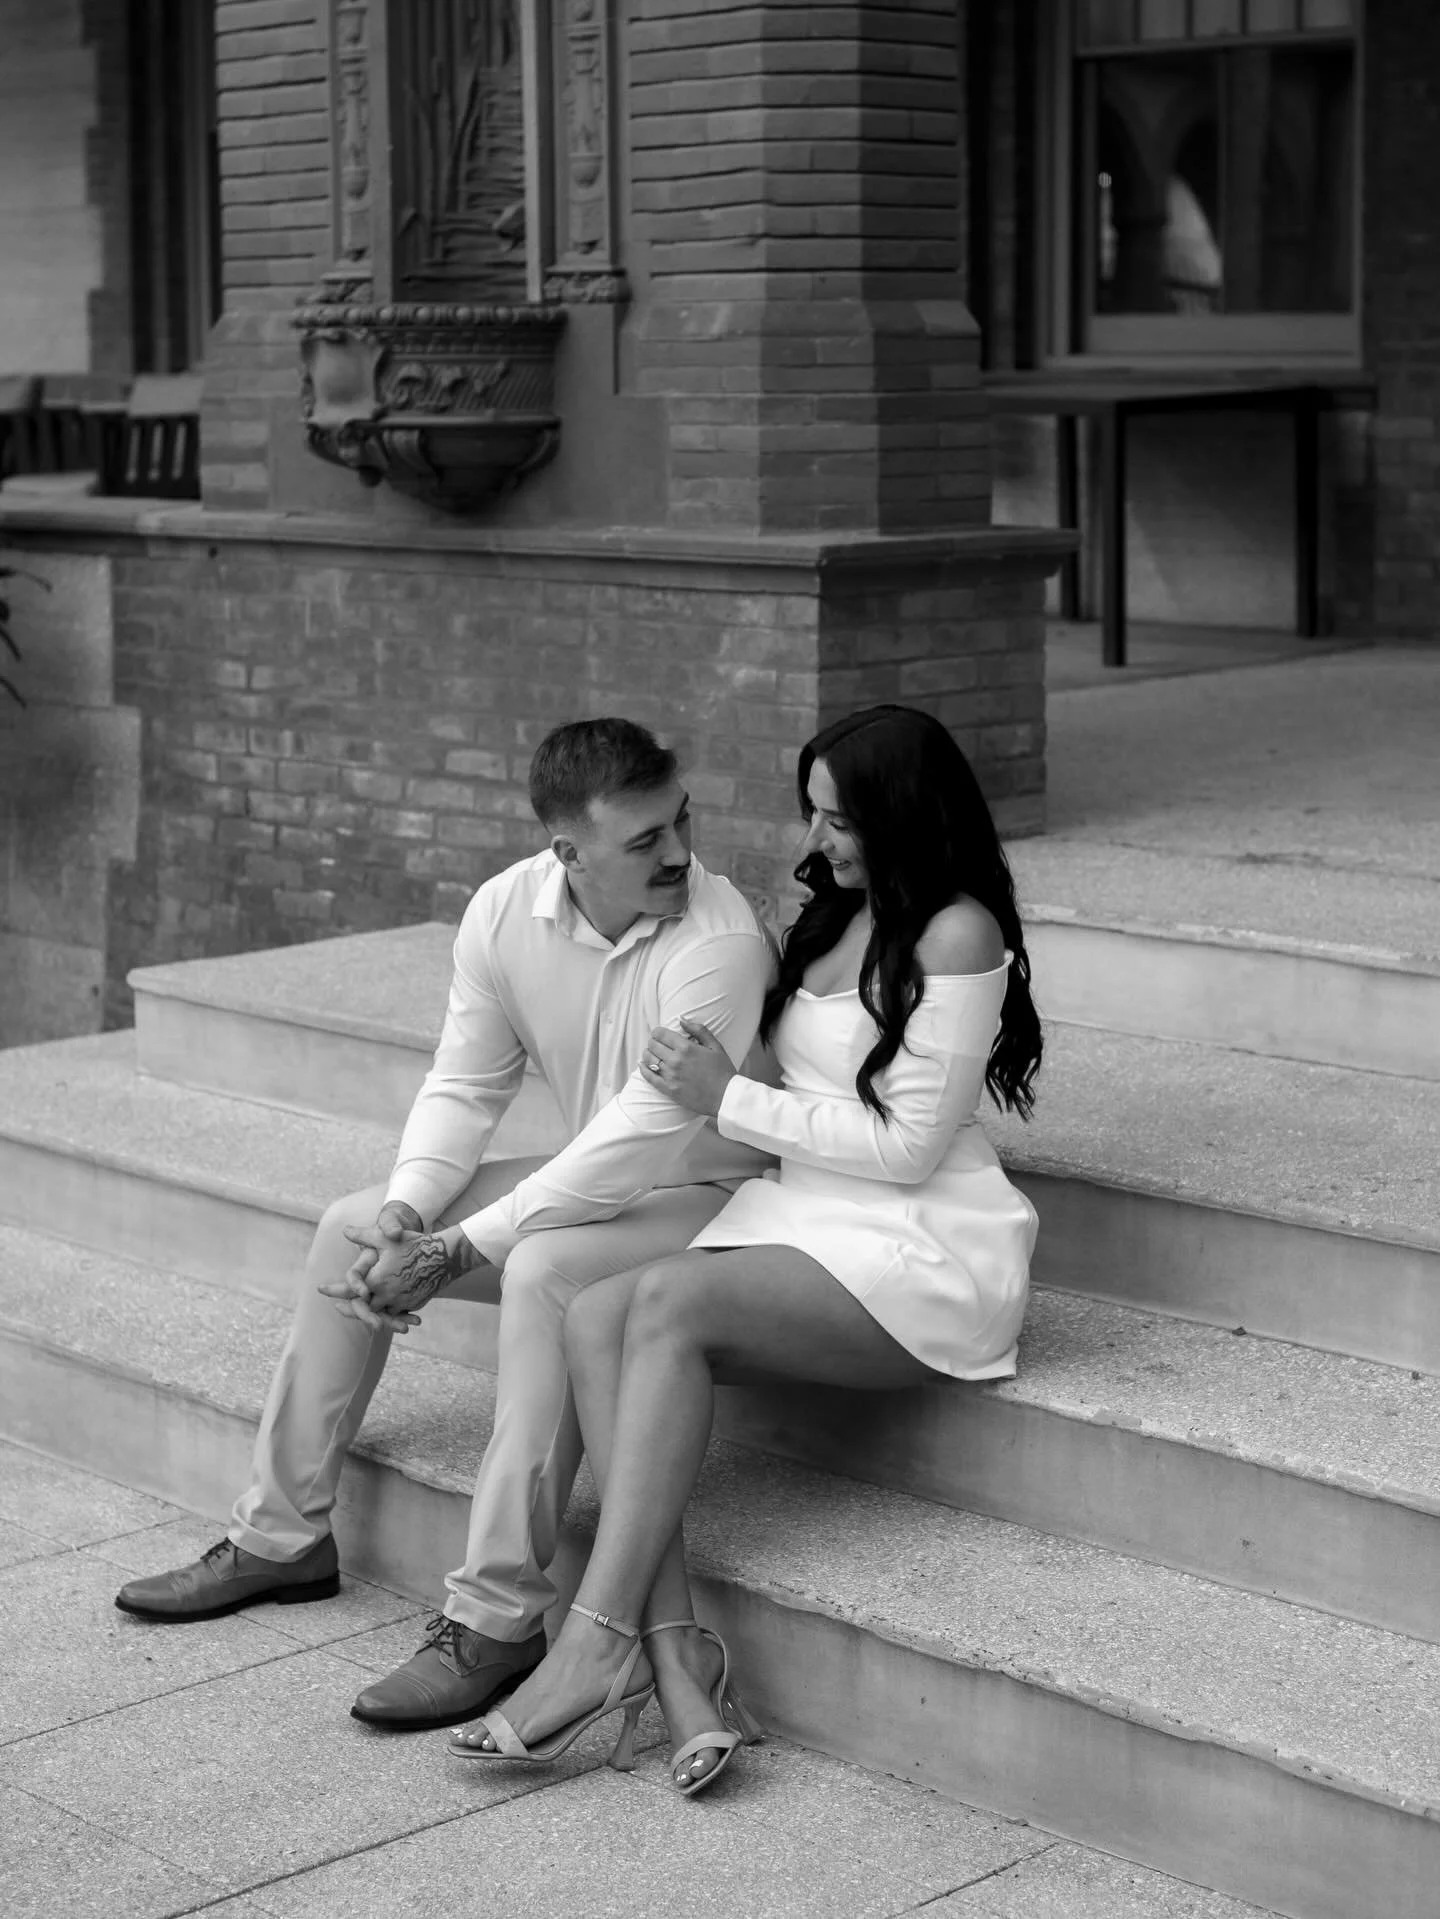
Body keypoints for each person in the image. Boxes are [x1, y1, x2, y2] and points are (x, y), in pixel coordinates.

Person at [115, 717, 777, 1735]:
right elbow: (466, 1083)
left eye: (680, 821)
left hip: (716, 1197)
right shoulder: (502, 911)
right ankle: (282, 1535)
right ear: (570, 851)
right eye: (645, 839)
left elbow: (645, 1139)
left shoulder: (719, 941)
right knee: (346, 1227)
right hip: (590, 1186)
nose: (681, 852)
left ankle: (497, 1615)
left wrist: (461, 1246)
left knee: (546, 1265)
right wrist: (406, 1213)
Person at [441, 704, 1043, 1793]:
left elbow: (908, 1149)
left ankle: (591, 1647)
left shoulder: (958, 933)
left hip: (917, 1245)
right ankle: (677, 1664)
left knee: (661, 1303)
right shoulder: (831, 916)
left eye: (841, 820)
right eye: (811, 814)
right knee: (591, 1310)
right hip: (803, 1215)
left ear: (903, 813)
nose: (818, 843)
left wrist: (731, 1098)